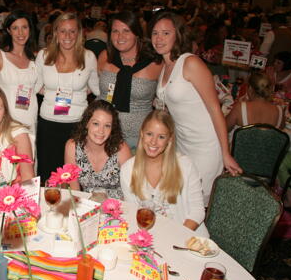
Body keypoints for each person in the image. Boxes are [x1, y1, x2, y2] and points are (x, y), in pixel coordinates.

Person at [150, 11, 241, 205]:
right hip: (183, 143)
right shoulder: (164, 66)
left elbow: (215, 110)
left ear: (178, 35)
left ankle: (201, 236)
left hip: (206, 145)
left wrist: (226, 153)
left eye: (166, 33)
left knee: (197, 201)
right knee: (180, 199)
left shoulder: (191, 63)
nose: (159, 38)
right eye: (155, 33)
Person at [120, 110, 208, 236]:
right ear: (142, 134)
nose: (153, 142)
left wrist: (177, 237)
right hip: (151, 239)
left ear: (169, 139)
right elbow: (133, 212)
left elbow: (198, 211)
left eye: (161, 137)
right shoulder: (128, 169)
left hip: (187, 237)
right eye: (149, 134)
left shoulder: (185, 165)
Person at [35, 12, 99, 181]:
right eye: (63, 31)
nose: (68, 36)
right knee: (48, 174)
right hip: (48, 125)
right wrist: (52, 94)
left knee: (74, 177)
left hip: (77, 126)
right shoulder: (43, 56)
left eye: (72, 31)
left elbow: (96, 88)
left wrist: (77, 93)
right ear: (55, 32)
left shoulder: (89, 57)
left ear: (79, 33)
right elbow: (36, 86)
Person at [97, 11, 163, 148]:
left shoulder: (155, 62)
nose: (120, 36)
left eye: (126, 30)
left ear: (137, 33)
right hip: (102, 135)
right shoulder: (105, 56)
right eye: (115, 31)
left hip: (138, 140)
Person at [65, 100, 131, 199]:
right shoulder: (72, 146)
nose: (101, 131)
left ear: (112, 128)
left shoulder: (121, 149)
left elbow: (131, 191)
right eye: (96, 123)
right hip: (87, 206)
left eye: (107, 125)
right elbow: (74, 190)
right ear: (87, 123)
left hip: (118, 206)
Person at [0, 9, 38, 133]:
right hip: (4, 121)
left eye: (24, 27)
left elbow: (41, 87)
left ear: (30, 29)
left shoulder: (36, 58)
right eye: (15, 28)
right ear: (8, 30)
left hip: (29, 119)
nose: (20, 32)